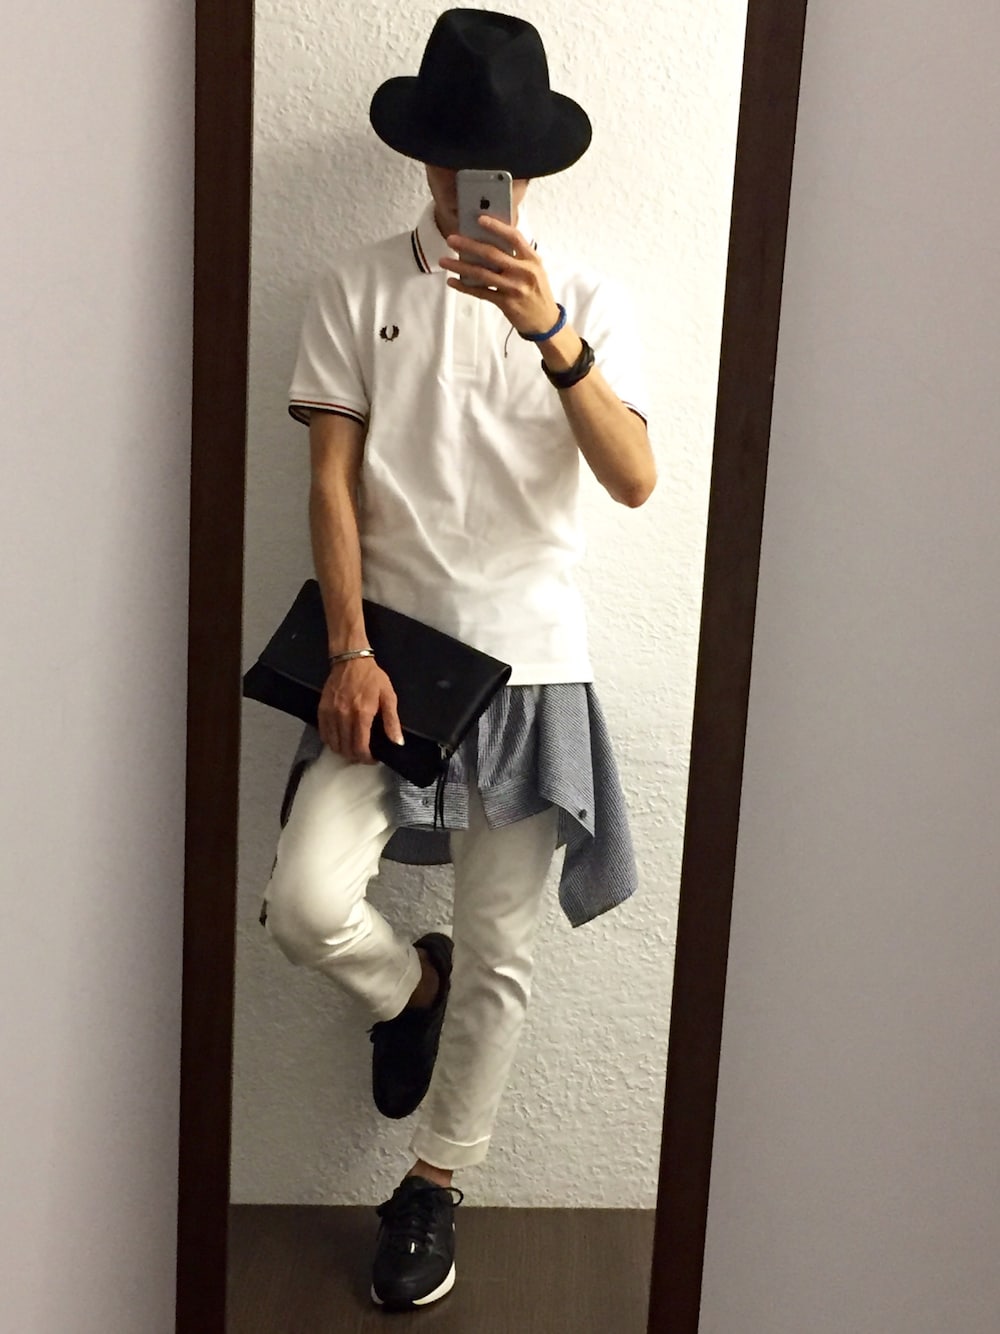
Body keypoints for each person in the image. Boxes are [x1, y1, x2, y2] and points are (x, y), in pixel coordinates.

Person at [260, 7, 656, 1312]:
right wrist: (350, 647)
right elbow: (330, 482)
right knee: (305, 904)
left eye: (498, 162)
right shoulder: (356, 287)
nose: (474, 181)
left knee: (502, 951)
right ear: (425, 155)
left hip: (531, 665)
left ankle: (436, 1181)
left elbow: (635, 478)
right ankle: (404, 985)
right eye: (454, 157)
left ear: (527, 168)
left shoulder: (588, 297)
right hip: (389, 662)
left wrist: (553, 336)